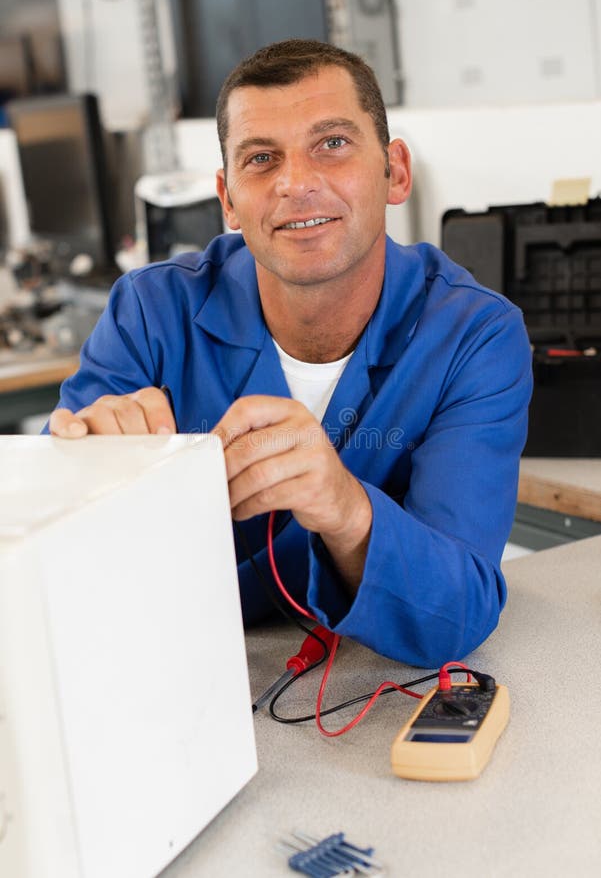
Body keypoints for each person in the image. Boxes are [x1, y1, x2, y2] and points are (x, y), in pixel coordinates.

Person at [48, 39, 532, 667]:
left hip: (355, 685)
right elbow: (55, 562)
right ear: (227, 199)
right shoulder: (149, 313)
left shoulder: (474, 336)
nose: (296, 182)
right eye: (261, 158)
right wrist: (94, 475)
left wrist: (345, 508)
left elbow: (457, 611)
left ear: (396, 172)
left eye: (332, 144)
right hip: (178, 673)